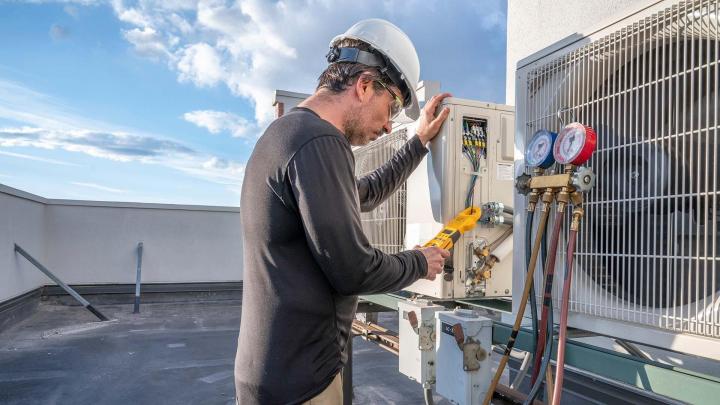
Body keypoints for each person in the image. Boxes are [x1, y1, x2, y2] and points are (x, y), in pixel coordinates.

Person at [235, 19, 452, 404]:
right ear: (365, 85)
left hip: (271, 373)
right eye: (391, 107)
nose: (388, 127)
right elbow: (354, 269)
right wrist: (420, 262)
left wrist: (418, 142)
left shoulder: (287, 136)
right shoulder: (319, 141)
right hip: (302, 384)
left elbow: (364, 192)